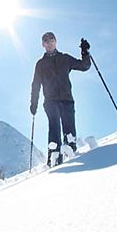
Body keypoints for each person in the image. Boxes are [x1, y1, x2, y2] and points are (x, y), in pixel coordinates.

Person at [30, 32, 91, 166]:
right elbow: (36, 85)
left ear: (55, 41)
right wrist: (34, 103)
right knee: (54, 126)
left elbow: (84, 66)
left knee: (69, 130)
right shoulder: (40, 64)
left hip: (67, 100)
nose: (49, 42)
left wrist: (85, 52)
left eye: (51, 39)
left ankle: (71, 154)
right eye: (46, 41)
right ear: (43, 45)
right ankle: (54, 158)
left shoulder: (65, 59)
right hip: (51, 102)